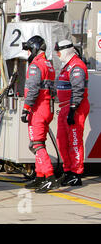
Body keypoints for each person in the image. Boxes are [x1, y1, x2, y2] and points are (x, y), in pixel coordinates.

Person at [20, 36, 60, 193]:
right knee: (39, 143)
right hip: (47, 108)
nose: (28, 53)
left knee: (36, 145)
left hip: (38, 110)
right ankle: (39, 176)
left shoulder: (36, 66)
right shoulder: (49, 65)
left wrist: (26, 108)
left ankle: (50, 177)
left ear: (34, 49)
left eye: (29, 50)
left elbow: (33, 90)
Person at [54, 40, 90, 186]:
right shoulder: (67, 66)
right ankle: (68, 170)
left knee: (74, 141)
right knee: (62, 141)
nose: (57, 54)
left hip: (75, 108)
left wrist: (73, 110)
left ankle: (76, 173)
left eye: (59, 51)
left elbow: (78, 90)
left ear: (66, 50)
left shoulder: (76, 66)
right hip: (65, 108)